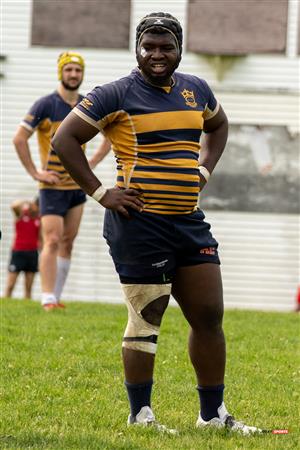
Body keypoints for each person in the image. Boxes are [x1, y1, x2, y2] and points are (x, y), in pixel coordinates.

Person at [52, 13, 264, 434]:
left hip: (188, 222)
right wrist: (101, 193)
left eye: (166, 46)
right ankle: (141, 415)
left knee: (208, 315)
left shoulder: (195, 90)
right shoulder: (115, 93)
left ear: (179, 49)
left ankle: (211, 415)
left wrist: (203, 171)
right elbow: (64, 139)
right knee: (148, 315)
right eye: (148, 46)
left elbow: (218, 125)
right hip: (138, 223)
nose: (157, 54)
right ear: (137, 48)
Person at [13, 51, 111, 311]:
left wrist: (91, 164)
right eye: (68, 70)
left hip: (77, 186)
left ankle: (55, 297)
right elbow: (19, 138)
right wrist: (36, 173)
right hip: (52, 186)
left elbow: (110, 135)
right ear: (61, 72)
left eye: (78, 71)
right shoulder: (45, 104)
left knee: (68, 241)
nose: (73, 75)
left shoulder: (87, 104)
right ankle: (46, 299)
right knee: (52, 239)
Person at [5, 198, 40, 299]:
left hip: (32, 253)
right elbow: (14, 206)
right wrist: (26, 202)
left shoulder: (39, 219)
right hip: (18, 253)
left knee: (28, 288)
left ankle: (27, 305)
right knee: (10, 285)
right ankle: (6, 303)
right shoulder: (21, 214)